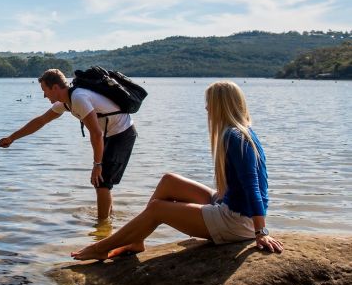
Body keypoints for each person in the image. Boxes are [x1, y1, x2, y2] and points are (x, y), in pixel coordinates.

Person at [71, 80, 283, 261]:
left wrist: (261, 232)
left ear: (220, 105)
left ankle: (100, 248)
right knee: (169, 180)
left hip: (236, 222)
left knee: (157, 209)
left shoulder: (234, 137)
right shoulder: (241, 131)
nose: (206, 108)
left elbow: (252, 186)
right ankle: (137, 240)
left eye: (209, 103)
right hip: (231, 206)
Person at [0, 68, 137, 220]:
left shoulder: (78, 98)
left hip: (123, 132)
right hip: (109, 133)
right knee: (101, 182)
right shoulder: (66, 102)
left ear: (55, 88)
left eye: (45, 90)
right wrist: (12, 138)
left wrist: (97, 164)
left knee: (102, 181)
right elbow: (41, 121)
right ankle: (107, 222)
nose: (44, 95)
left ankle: (102, 227)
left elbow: (96, 133)